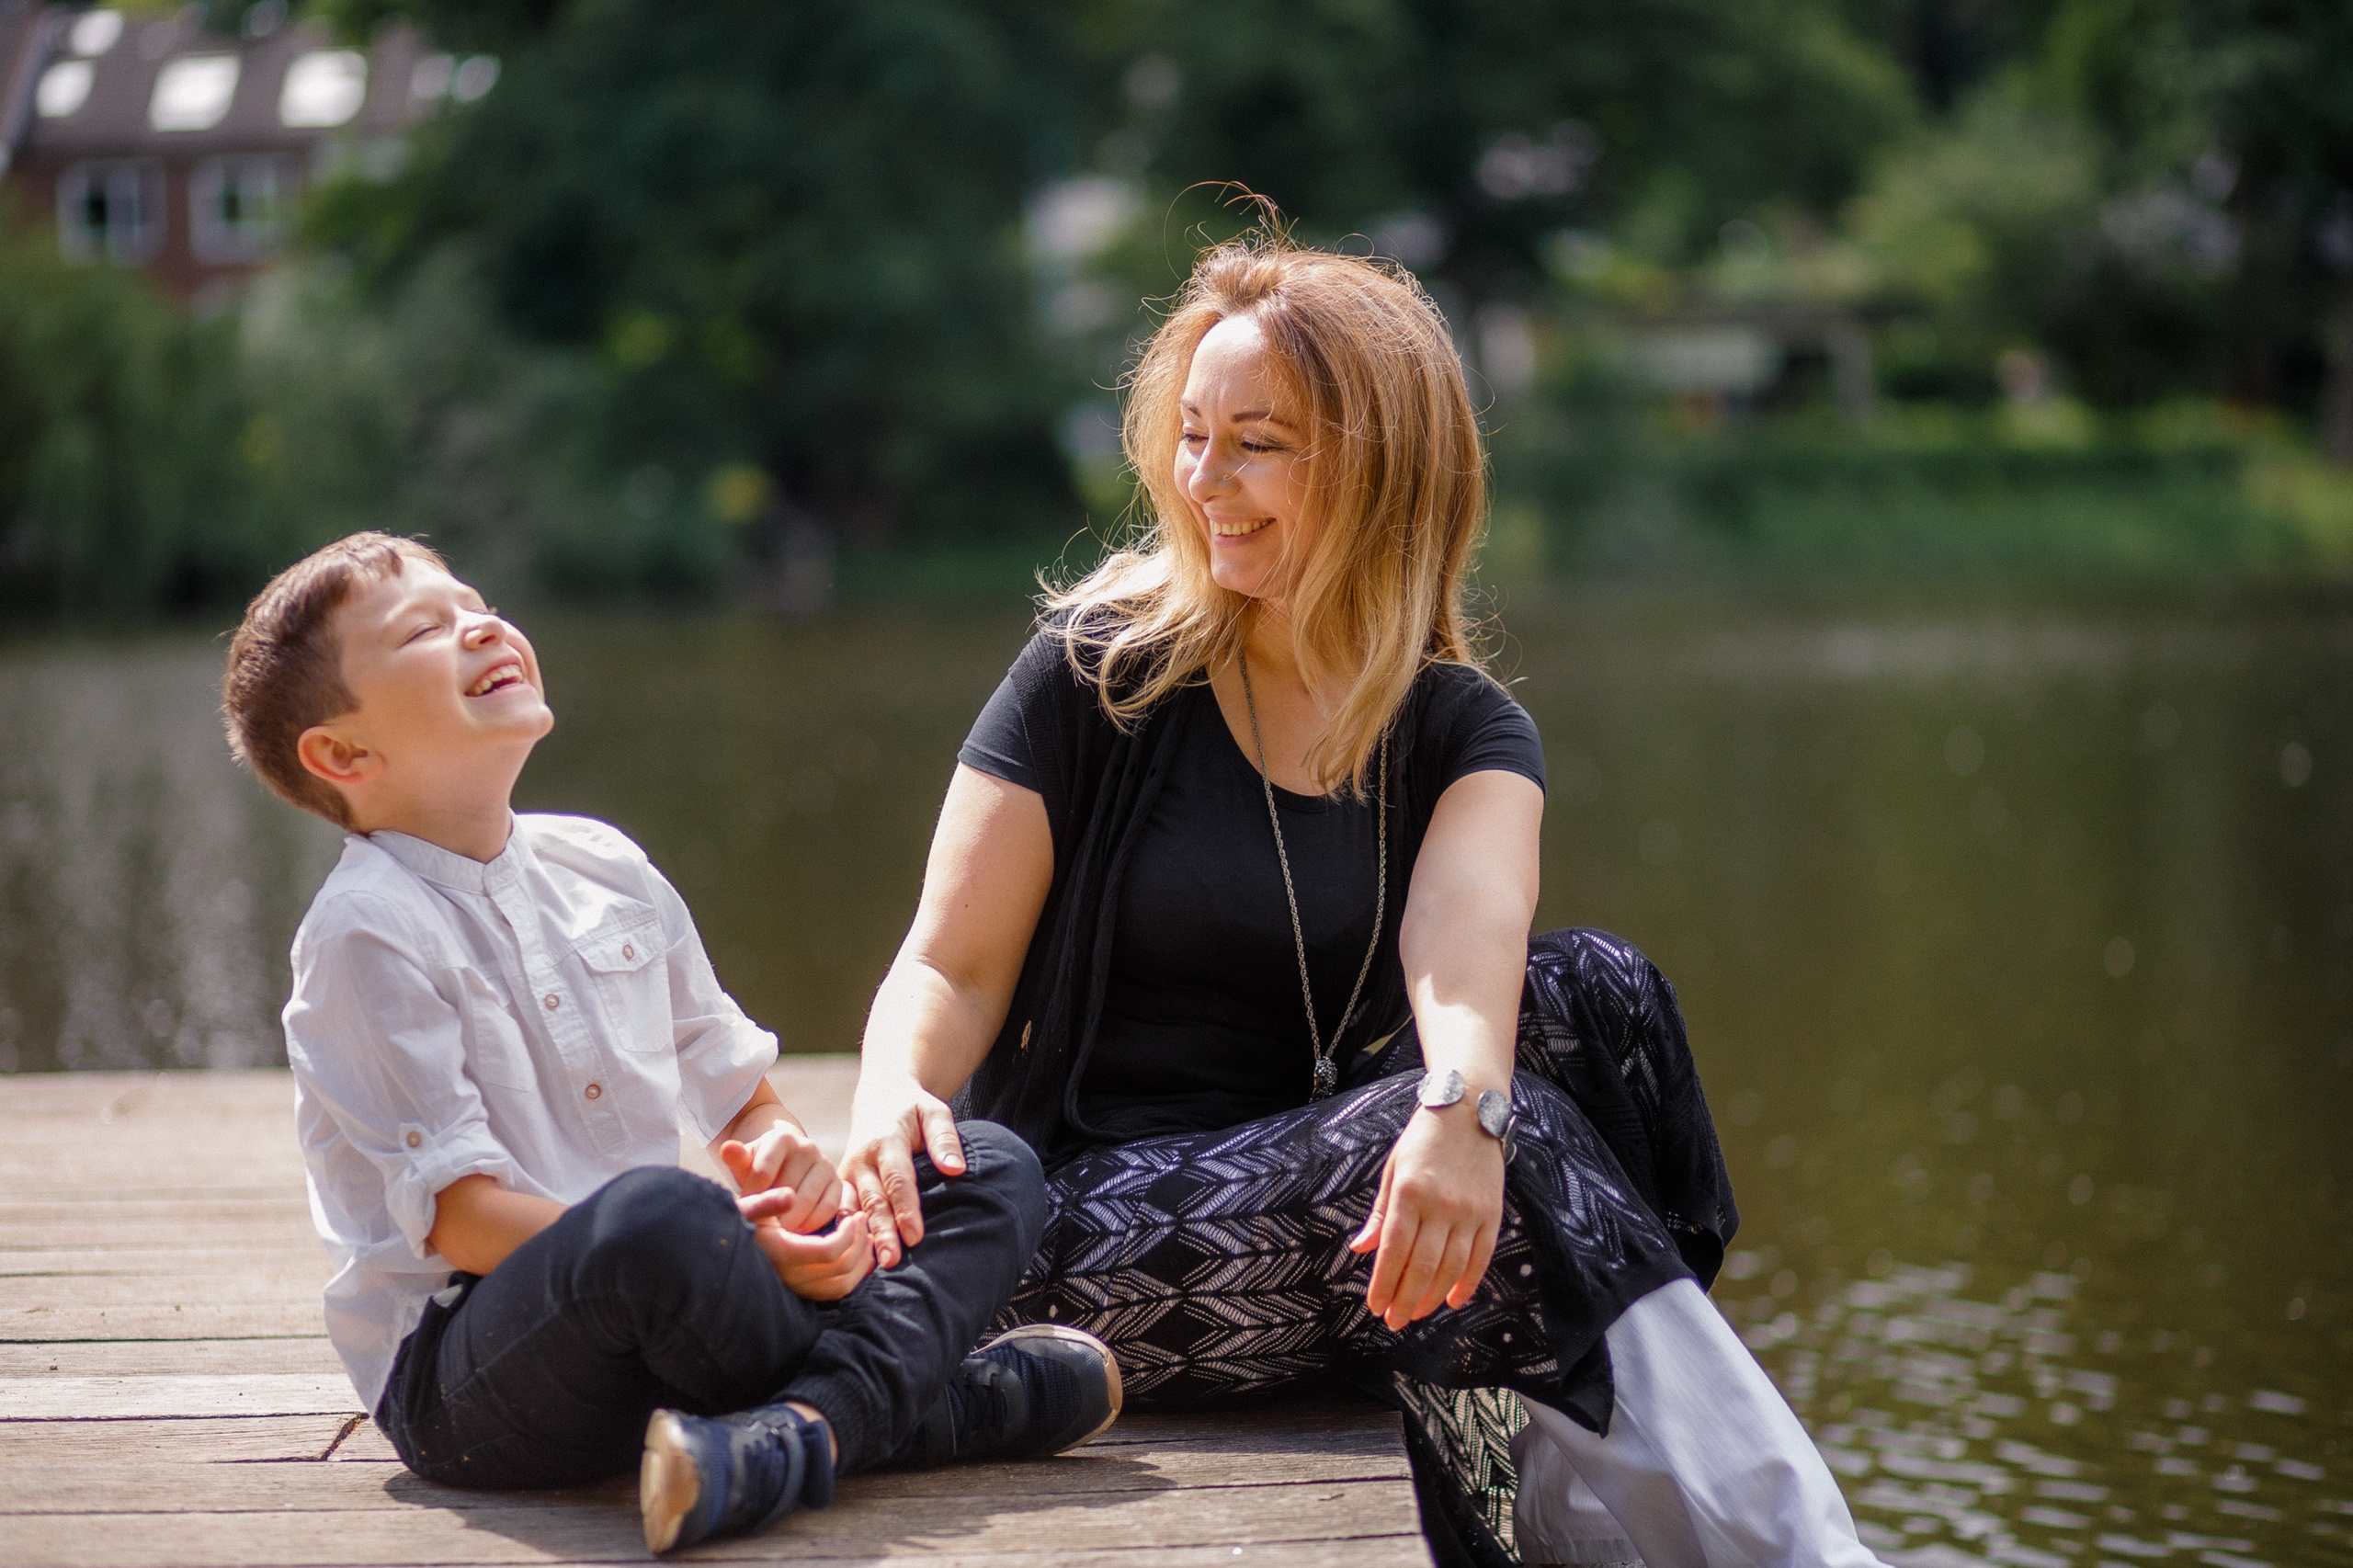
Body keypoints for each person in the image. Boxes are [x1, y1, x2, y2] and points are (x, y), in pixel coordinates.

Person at [838, 236, 1883, 1568]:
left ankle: (1577, 1474)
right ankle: (1793, 1548)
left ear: (1379, 465)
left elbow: (1469, 931)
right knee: (1498, 1126)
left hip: (1343, 1221)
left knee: (1599, 998)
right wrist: (889, 1097)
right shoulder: (1095, 676)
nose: (1201, 481)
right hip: (1078, 1241)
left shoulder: (1462, 726)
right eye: (1192, 437)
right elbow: (948, 964)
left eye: (1255, 444)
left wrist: (1461, 1099)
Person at [221, 532, 1120, 1556]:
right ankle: (936, 1410)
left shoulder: (603, 863)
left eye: (471, 598)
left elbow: (741, 1095)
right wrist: (740, 1243)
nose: (476, 621)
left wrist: (792, 1169)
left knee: (982, 1154)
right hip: (474, 1371)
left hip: (676, 1303)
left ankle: (794, 1430)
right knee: (659, 1211)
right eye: (423, 628)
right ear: (345, 755)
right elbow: (464, 1222)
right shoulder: (364, 928)